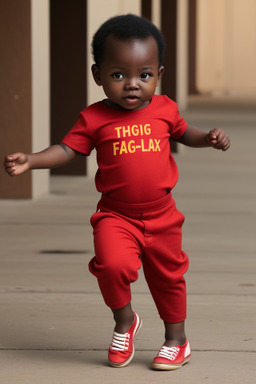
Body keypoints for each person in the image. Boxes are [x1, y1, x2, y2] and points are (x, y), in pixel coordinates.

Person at [4, 14, 230, 370]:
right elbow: (68, 150)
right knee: (111, 266)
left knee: (168, 278)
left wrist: (209, 138)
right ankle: (124, 322)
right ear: (98, 75)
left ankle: (176, 340)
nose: (132, 85)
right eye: (118, 74)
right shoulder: (93, 118)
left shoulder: (165, 109)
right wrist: (32, 160)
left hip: (162, 215)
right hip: (116, 215)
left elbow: (184, 133)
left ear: (159, 74)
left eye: (144, 75)